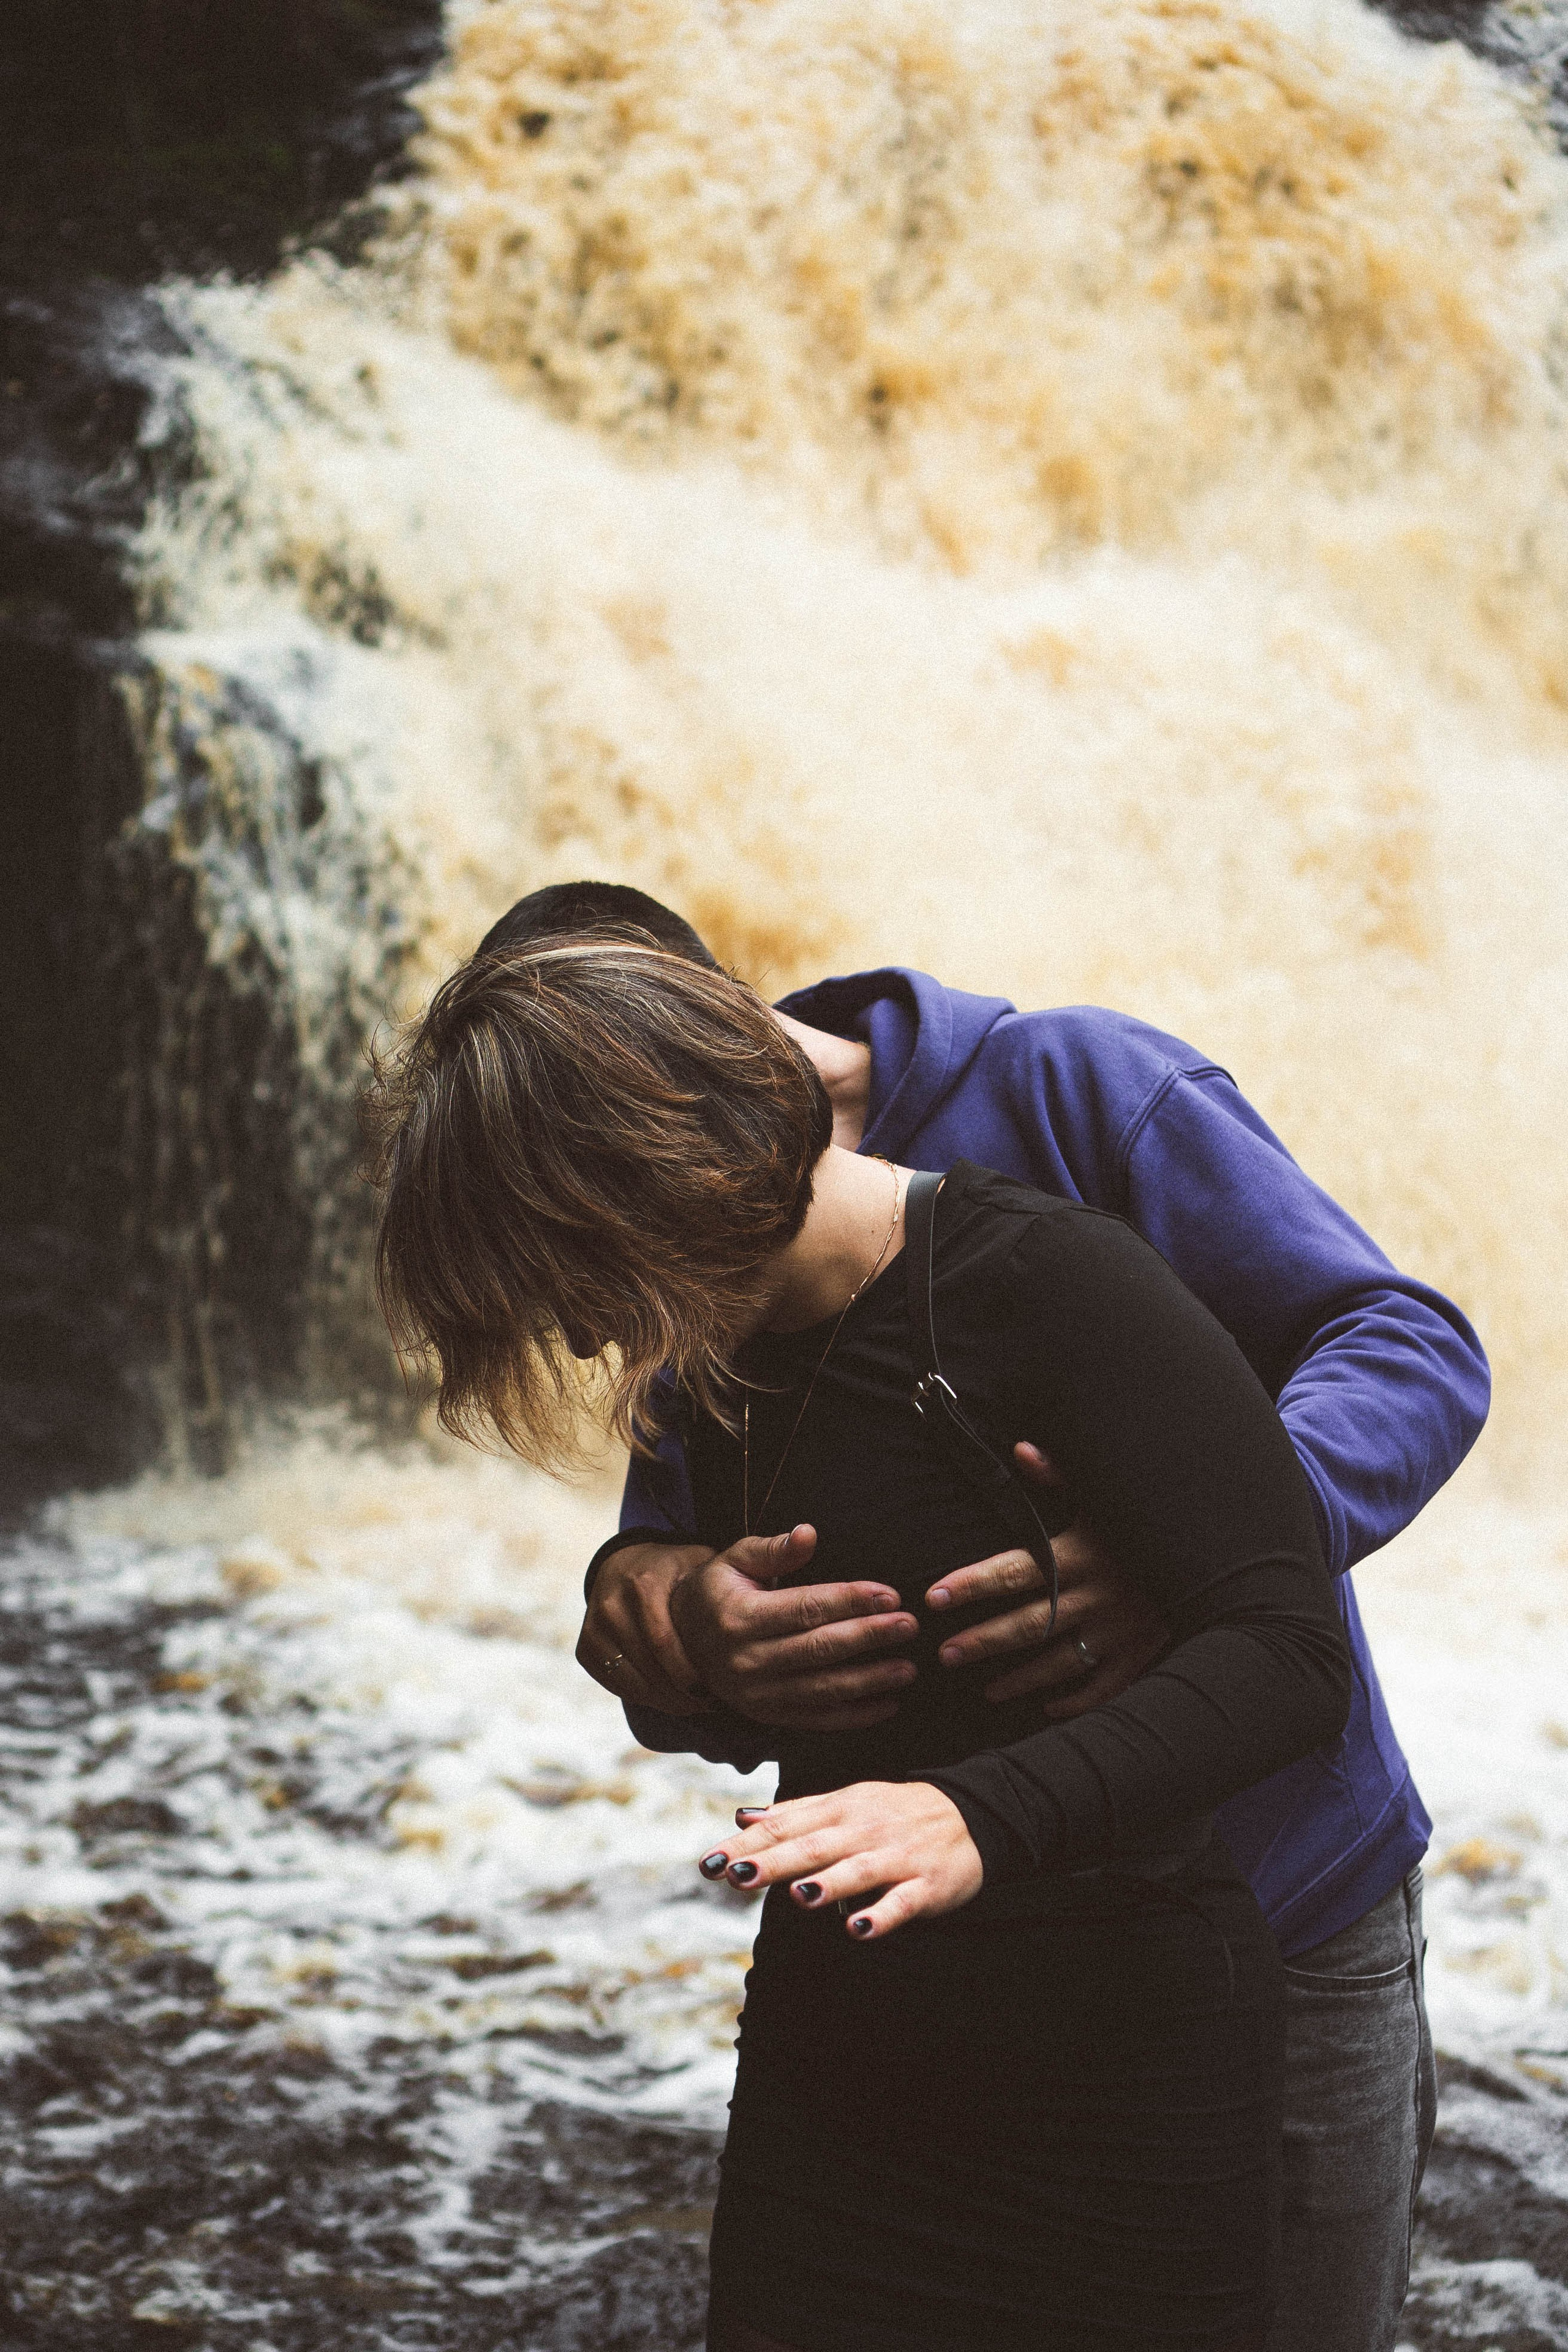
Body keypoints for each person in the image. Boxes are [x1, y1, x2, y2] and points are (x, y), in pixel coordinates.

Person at [486, 883, 1490, 2352]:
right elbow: (679, 1568)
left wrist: (1181, 1541)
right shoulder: (692, 1242)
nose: (585, 1325)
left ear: (670, 1053)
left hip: (1277, 1889)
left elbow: (1405, 1342)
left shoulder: (1073, 1089)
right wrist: (672, 1621)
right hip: (950, 1963)